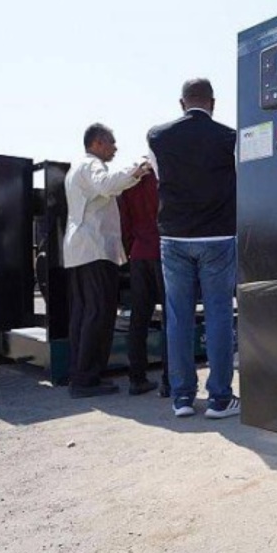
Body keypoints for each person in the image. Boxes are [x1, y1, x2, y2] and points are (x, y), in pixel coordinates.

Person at [147, 78, 238, 419]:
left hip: (174, 238)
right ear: (212, 102)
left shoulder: (157, 135)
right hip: (217, 237)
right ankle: (219, 399)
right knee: (218, 316)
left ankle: (182, 398)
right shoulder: (229, 138)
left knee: (178, 317)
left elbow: (159, 177)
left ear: (181, 103)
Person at [63, 123, 149, 398]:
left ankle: (79, 374)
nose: (115, 148)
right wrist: (138, 168)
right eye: (112, 143)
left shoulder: (76, 168)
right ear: (98, 143)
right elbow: (108, 185)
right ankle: (87, 380)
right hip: (95, 250)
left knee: (82, 314)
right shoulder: (92, 166)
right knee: (98, 314)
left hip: (79, 251)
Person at [118, 170, 170, 396]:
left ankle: (137, 378)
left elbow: (125, 224)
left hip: (139, 254)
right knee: (172, 317)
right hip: (163, 252)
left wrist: (131, 249)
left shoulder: (129, 185)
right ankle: (170, 380)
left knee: (139, 319)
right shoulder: (163, 182)